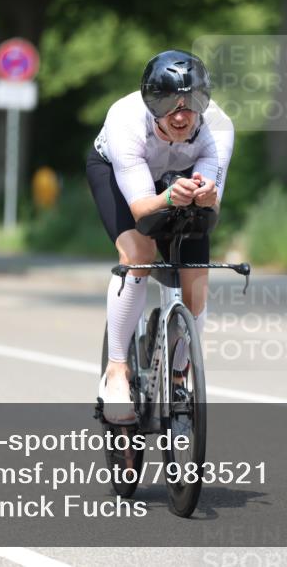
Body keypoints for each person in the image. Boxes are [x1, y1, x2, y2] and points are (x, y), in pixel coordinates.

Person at [86, 49, 234, 423]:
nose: (182, 116)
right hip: (121, 176)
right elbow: (141, 209)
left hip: (176, 180)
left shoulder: (219, 127)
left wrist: (207, 196)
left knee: (196, 283)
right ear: (152, 103)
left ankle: (179, 372)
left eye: (192, 103)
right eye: (169, 104)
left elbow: (210, 203)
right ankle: (117, 371)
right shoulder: (125, 121)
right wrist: (169, 197)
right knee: (139, 253)